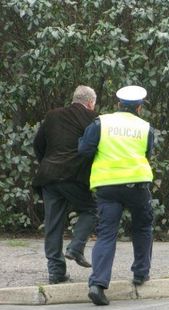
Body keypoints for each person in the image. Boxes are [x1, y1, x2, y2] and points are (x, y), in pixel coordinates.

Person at [79, 85, 155, 306]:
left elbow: (84, 150)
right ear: (139, 108)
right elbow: (148, 153)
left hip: (107, 186)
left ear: (118, 105)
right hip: (137, 185)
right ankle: (141, 273)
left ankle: (98, 284)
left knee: (106, 234)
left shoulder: (101, 123)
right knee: (142, 228)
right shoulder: (145, 127)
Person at [33, 85, 98, 284]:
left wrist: (48, 162)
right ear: (90, 103)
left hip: (49, 176)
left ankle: (56, 272)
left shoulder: (52, 116)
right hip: (74, 176)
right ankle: (76, 247)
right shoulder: (92, 119)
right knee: (92, 210)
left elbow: (38, 144)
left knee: (53, 224)